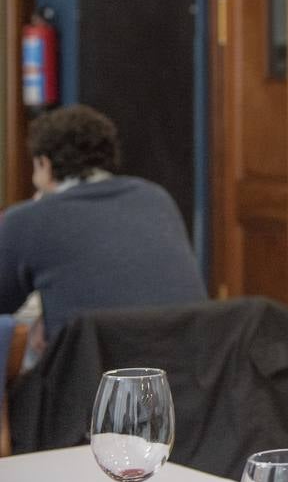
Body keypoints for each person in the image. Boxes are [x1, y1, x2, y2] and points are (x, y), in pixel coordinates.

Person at [0, 105, 207, 351]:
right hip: (189, 374)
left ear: (44, 164)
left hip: (91, 378)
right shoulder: (155, 197)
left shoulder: (29, 218)